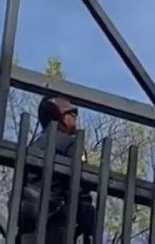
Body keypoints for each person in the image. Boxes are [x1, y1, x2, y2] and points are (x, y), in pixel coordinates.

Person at [16, 95, 97, 242]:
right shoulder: (70, 145)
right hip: (53, 225)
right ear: (60, 117)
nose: (75, 116)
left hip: (28, 227)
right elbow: (79, 188)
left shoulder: (35, 145)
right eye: (72, 112)